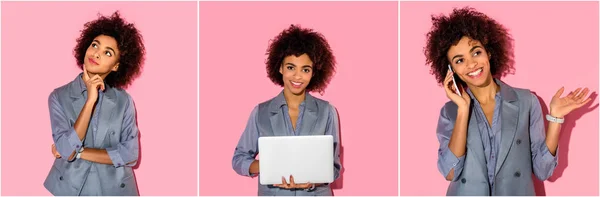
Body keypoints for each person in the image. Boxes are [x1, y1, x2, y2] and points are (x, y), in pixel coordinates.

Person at [424, 7, 592, 195]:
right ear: (451, 70)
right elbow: (450, 172)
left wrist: (555, 118)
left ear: (488, 52)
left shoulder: (526, 101)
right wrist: (463, 109)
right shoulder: (450, 112)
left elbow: (543, 170)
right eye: (459, 60)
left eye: (476, 52)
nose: (471, 64)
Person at [232, 24, 342, 196]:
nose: (297, 76)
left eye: (305, 70)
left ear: (313, 73)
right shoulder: (260, 112)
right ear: (280, 67)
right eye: (291, 67)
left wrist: (311, 180)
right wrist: (268, 165)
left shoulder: (327, 112)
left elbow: (334, 167)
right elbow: (239, 159)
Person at [44, 11, 145, 196]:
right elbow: (66, 151)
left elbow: (130, 155)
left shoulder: (123, 101)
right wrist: (90, 101)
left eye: (108, 52)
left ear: (116, 65)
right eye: (95, 45)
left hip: (116, 189)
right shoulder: (58, 96)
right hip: (72, 188)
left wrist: (79, 152)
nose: (97, 53)